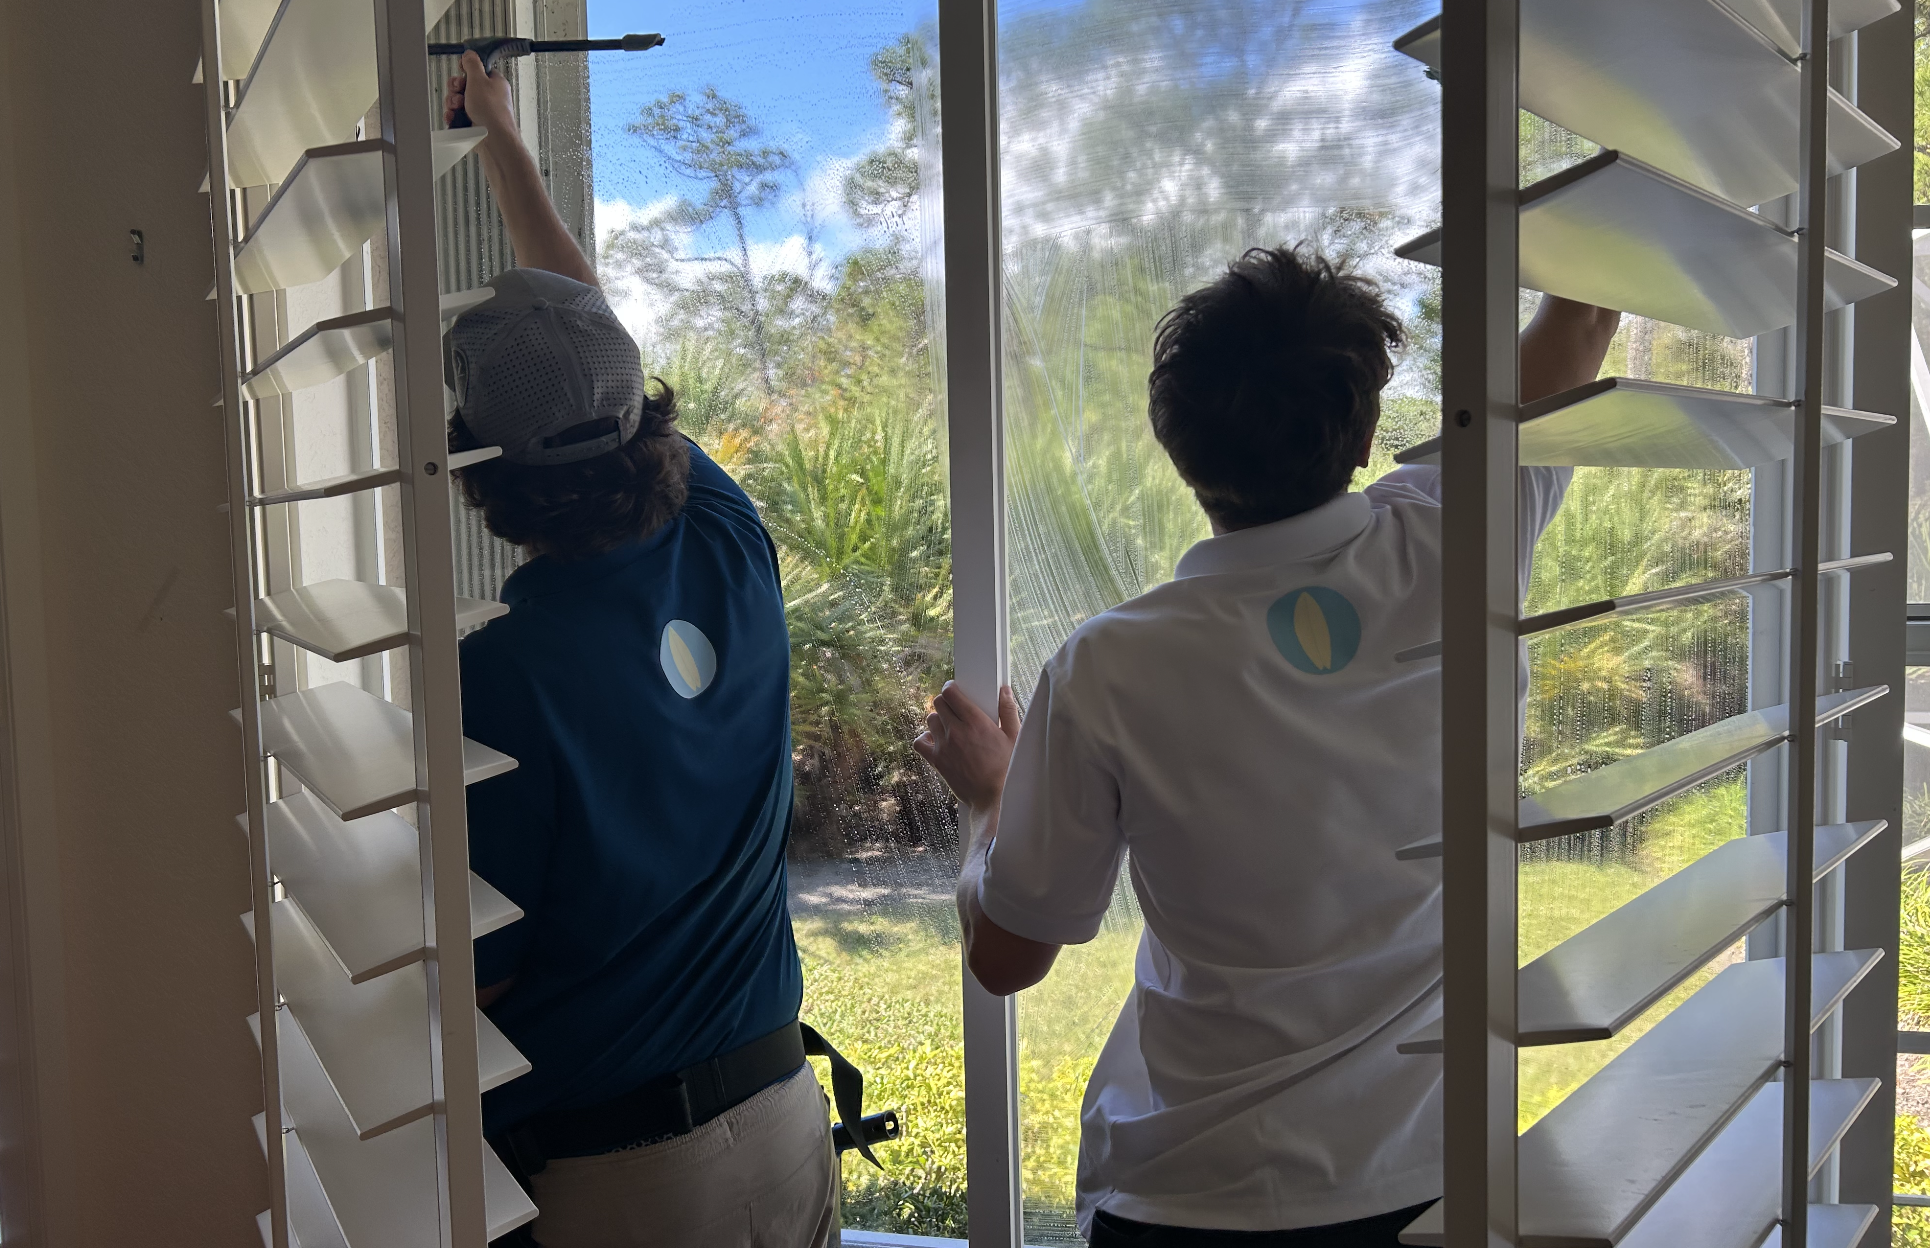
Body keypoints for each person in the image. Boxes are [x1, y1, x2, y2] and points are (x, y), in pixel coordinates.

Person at [914, 247, 1620, 1247]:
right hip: (1430, 1187)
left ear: (1172, 440)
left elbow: (1007, 955)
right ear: (1370, 431)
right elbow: (1583, 320)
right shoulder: (1457, 543)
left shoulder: (1113, 665)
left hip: (1187, 1199)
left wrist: (991, 797)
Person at [441, 52, 841, 1248]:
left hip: (624, 1184)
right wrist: (505, 137)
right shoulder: (730, 538)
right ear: (643, 419)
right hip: (784, 1119)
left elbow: (484, 979)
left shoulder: (504, 670)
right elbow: (587, 319)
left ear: (484, 475)